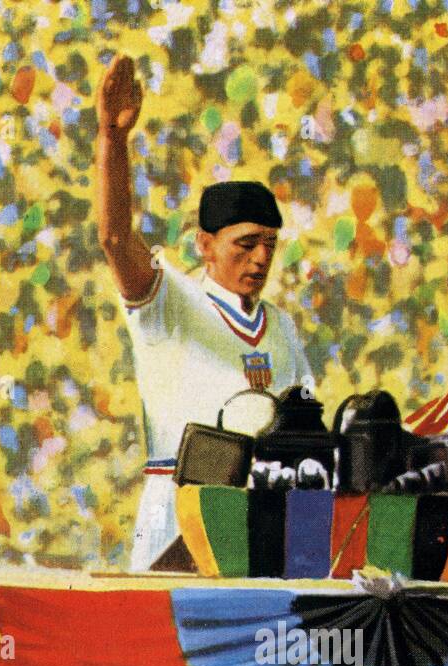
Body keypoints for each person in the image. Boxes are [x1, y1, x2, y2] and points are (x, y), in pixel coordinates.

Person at [95, 54, 313, 571]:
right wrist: (111, 141)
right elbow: (115, 237)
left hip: (261, 516)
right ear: (205, 245)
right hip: (179, 513)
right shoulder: (170, 300)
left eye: (270, 244)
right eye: (246, 243)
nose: (261, 257)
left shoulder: (279, 326)